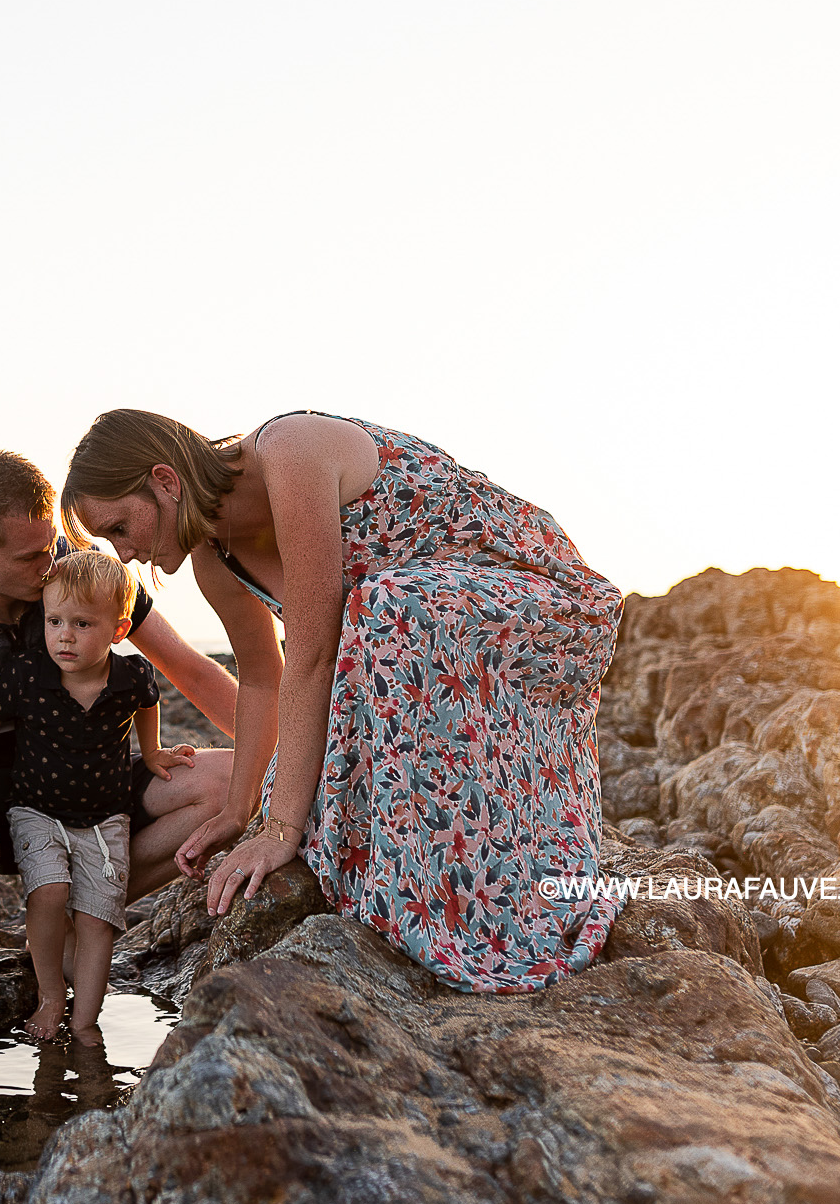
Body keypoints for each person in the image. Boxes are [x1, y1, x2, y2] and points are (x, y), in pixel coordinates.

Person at [59, 409, 625, 994]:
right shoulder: (215, 560)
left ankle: (467, 894)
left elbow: (315, 649)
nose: (122, 555)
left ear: (165, 481)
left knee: (382, 611)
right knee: (318, 760)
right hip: (425, 646)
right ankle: (434, 876)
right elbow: (260, 679)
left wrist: (280, 827)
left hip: (545, 602)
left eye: (119, 528)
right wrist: (238, 809)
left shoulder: (289, 452)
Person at [0, 450, 239, 1069]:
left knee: (235, 782)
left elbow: (190, 669)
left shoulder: (74, 569)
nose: (51, 566)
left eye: (53, 545)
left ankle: (80, 913)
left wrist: (296, 767)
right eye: (30, 557)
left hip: (87, 770)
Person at [0, 550, 193, 1045]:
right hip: (36, 811)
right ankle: (52, 995)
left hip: (106, 820)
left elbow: (148, 704)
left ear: (118, 630)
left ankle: (85, 1021)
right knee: (51, 891)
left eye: (81, 623)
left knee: (99, 919)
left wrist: (154, 751)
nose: (65, 635)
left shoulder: (131, 676)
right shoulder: (29, 675)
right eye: (54, 621)